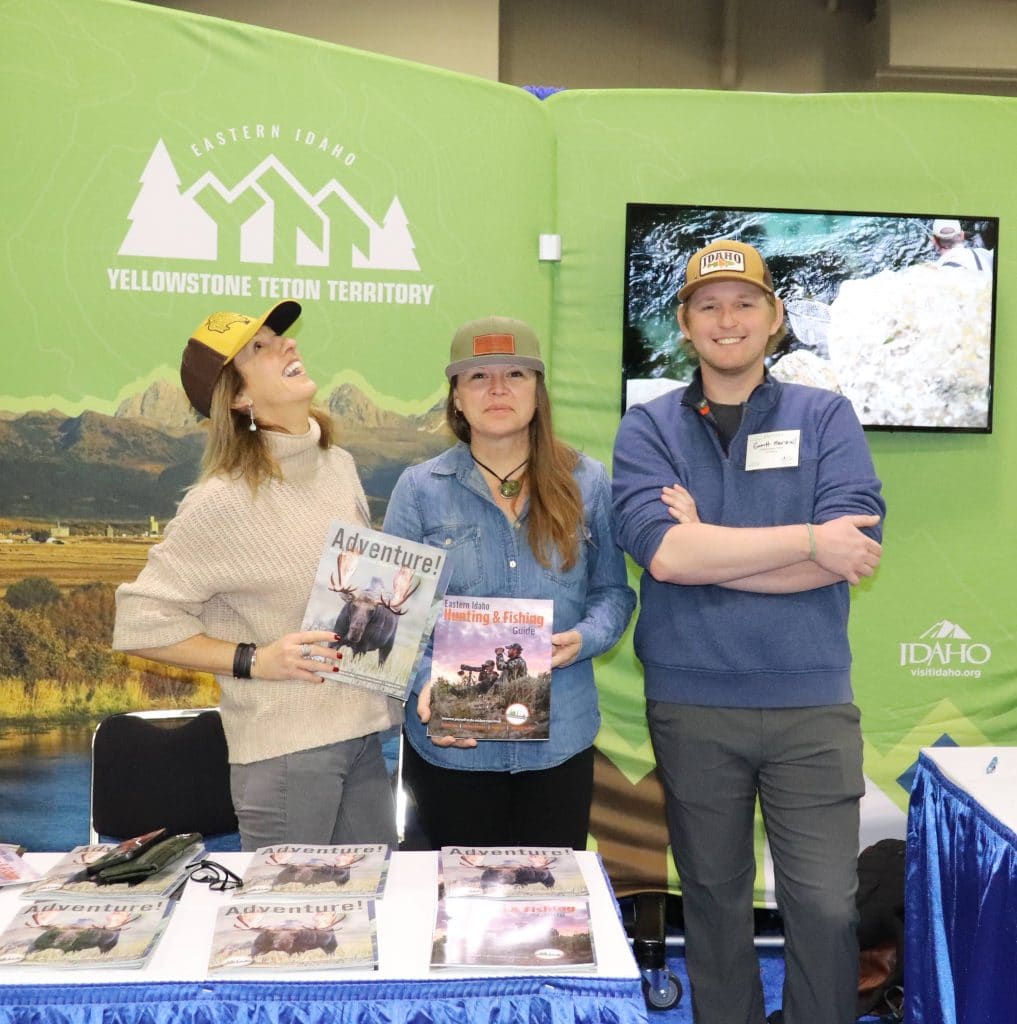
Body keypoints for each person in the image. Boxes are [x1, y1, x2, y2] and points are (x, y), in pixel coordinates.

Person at [612, 240, 885, 1024]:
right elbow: (664, 556)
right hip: (693, 707)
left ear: (774, 318)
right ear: (683, 324)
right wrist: (805, 542)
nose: (725, 319)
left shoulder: (824, 415)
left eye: (743, 303)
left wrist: (712, 550)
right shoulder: (648, 427)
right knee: (714, 905)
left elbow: (852, 550)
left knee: (826, 910)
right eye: (707, 305)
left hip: (810, 707)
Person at [113, 301, 401, 851]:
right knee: (285, 925)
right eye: (261, 349)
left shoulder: (336, 464)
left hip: (362, 734)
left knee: (369, 910)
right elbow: (140, 621)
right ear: (240, 397)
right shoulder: (221, 500)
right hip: (287, 751)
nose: (287, 346)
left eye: (281, 338)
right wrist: (254, 659)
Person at [383, 315, 635, 850]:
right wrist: (427, 683)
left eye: (516, 374)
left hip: (559, 747)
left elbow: (613, 593)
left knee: (547, 914)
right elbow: (393, 618)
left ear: (538, 392)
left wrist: (584, 638)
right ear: (455, 397)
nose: (497, 389)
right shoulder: (418, 489)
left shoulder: (586, 482)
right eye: (477, 377)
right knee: (452, 915)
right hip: (452, 746)